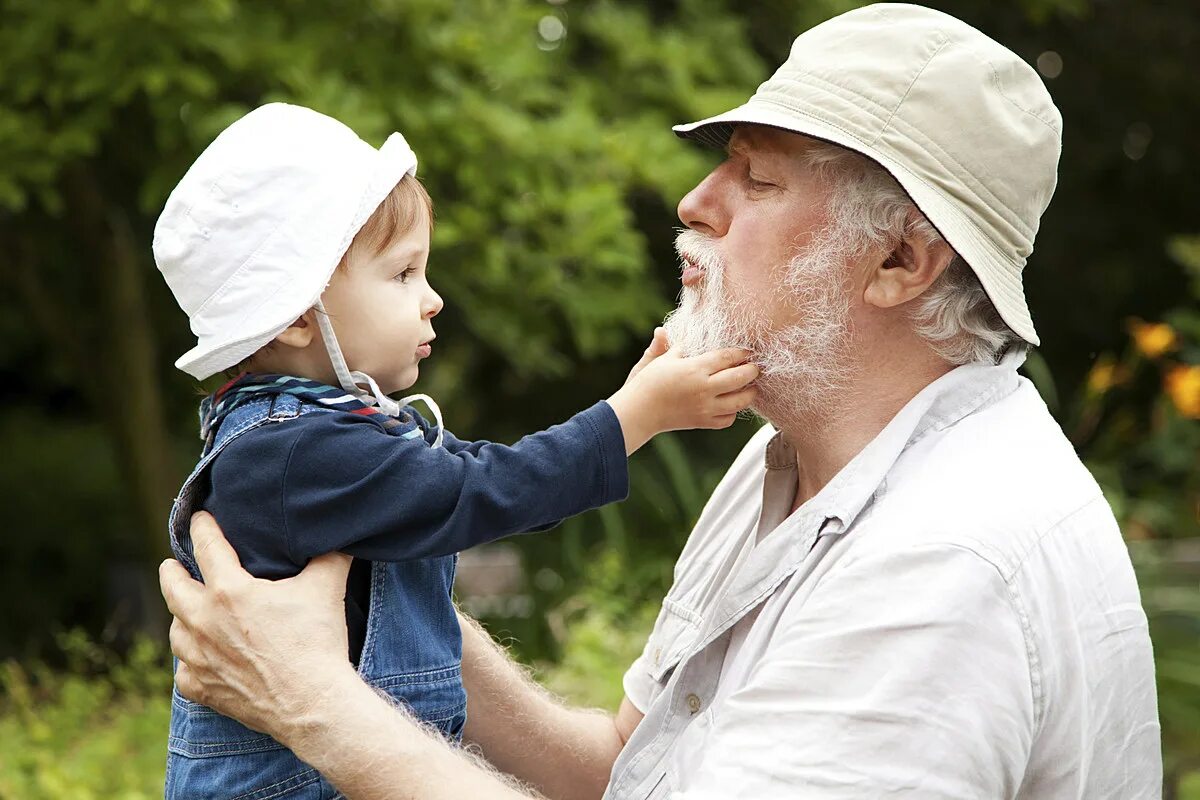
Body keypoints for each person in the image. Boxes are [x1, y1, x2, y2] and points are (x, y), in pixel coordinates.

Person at [160, 5, 1162, 799]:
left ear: (899, 259)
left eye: (756, 177)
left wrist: (314, 700)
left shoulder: (948, 562)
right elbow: (624, 774)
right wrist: (379, 600)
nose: (695, 201)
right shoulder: (792, 463)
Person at [152, 103, 759, 799]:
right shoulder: (292, 454)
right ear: (296, 314)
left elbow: (485, 477)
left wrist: (628, 404)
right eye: (403, 273)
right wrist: (633, 418)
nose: (432, 298)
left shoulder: (327, 436)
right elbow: (481, 490)